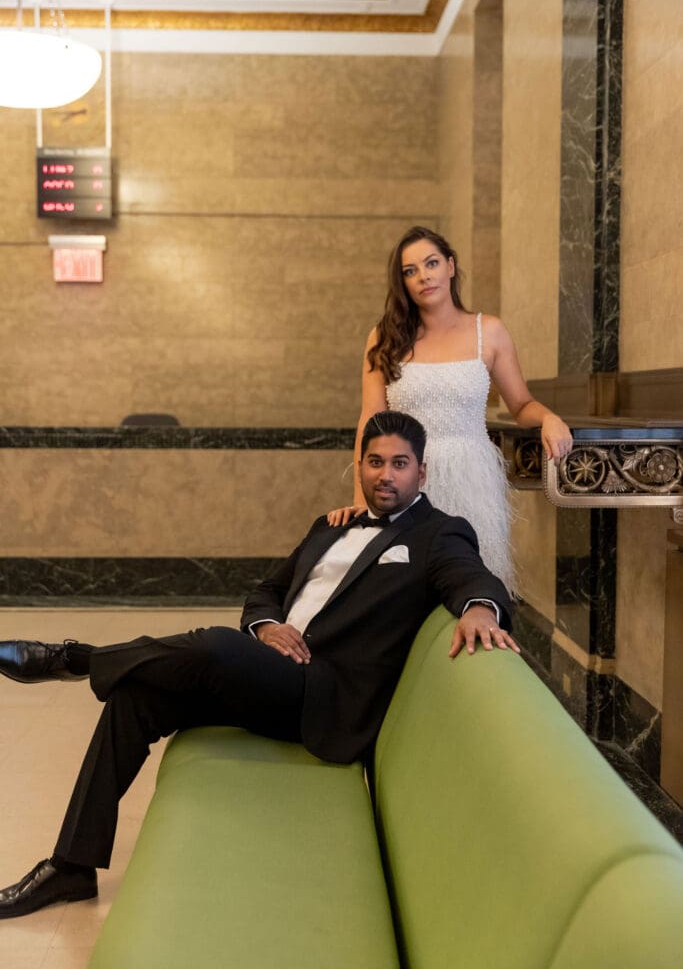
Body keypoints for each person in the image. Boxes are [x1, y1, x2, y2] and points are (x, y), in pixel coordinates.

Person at [0, 410, 517, 920]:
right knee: (135, 695)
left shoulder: (438, 534)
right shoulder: (330, 525)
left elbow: (473, 577)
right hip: (270, 674)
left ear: (421, 472)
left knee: (216, 647)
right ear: (359, 467)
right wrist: (266, 627)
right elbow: (266, 591)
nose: (386, 474)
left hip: (322, 695)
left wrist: (477, 607)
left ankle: (75, 659)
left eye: (400, 463)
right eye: (376, 462)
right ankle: (71, 867)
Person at [328, 225, 573, 594]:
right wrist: (363, 501)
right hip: (405, 476)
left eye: (431, 263)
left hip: (471, 477)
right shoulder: (384, 337)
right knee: (404, 591)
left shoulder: (488, 332)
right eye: (410, 271)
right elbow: (371, 421)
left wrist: (550, 418)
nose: (423, 276)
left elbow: (521, 405)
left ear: (451, 267)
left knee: (472, 584)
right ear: (403, 283)